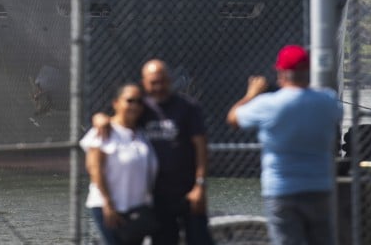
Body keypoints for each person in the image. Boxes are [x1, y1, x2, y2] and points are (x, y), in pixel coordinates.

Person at [227, 45, 342, 245]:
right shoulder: (328, 101)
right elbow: (336, 115)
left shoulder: (269, 105)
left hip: (282, 189)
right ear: (308, 72)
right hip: (319, 187)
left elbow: (233, 119)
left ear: (280, 73)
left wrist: (252, 94)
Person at [94, 60, 215, 245]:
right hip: (157, 197)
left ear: (170, 81)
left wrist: (200, 185)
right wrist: (100, 118)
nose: (158, 87)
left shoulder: (189, 107)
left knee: (200, 240)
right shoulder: (142, 109)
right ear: (144, 82)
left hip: (188, 190)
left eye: (162, 81)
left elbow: (201, 147)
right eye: (153, 83)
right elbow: (121, 119)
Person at [80, 82, 158, 245]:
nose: (135, 106)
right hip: (110, 207)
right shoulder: (103, 131)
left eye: (139, 101)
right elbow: (94, 169)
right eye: (129, 100)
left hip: (137, 208)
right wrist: (108, 204)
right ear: (116, 103)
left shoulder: (141, 134)